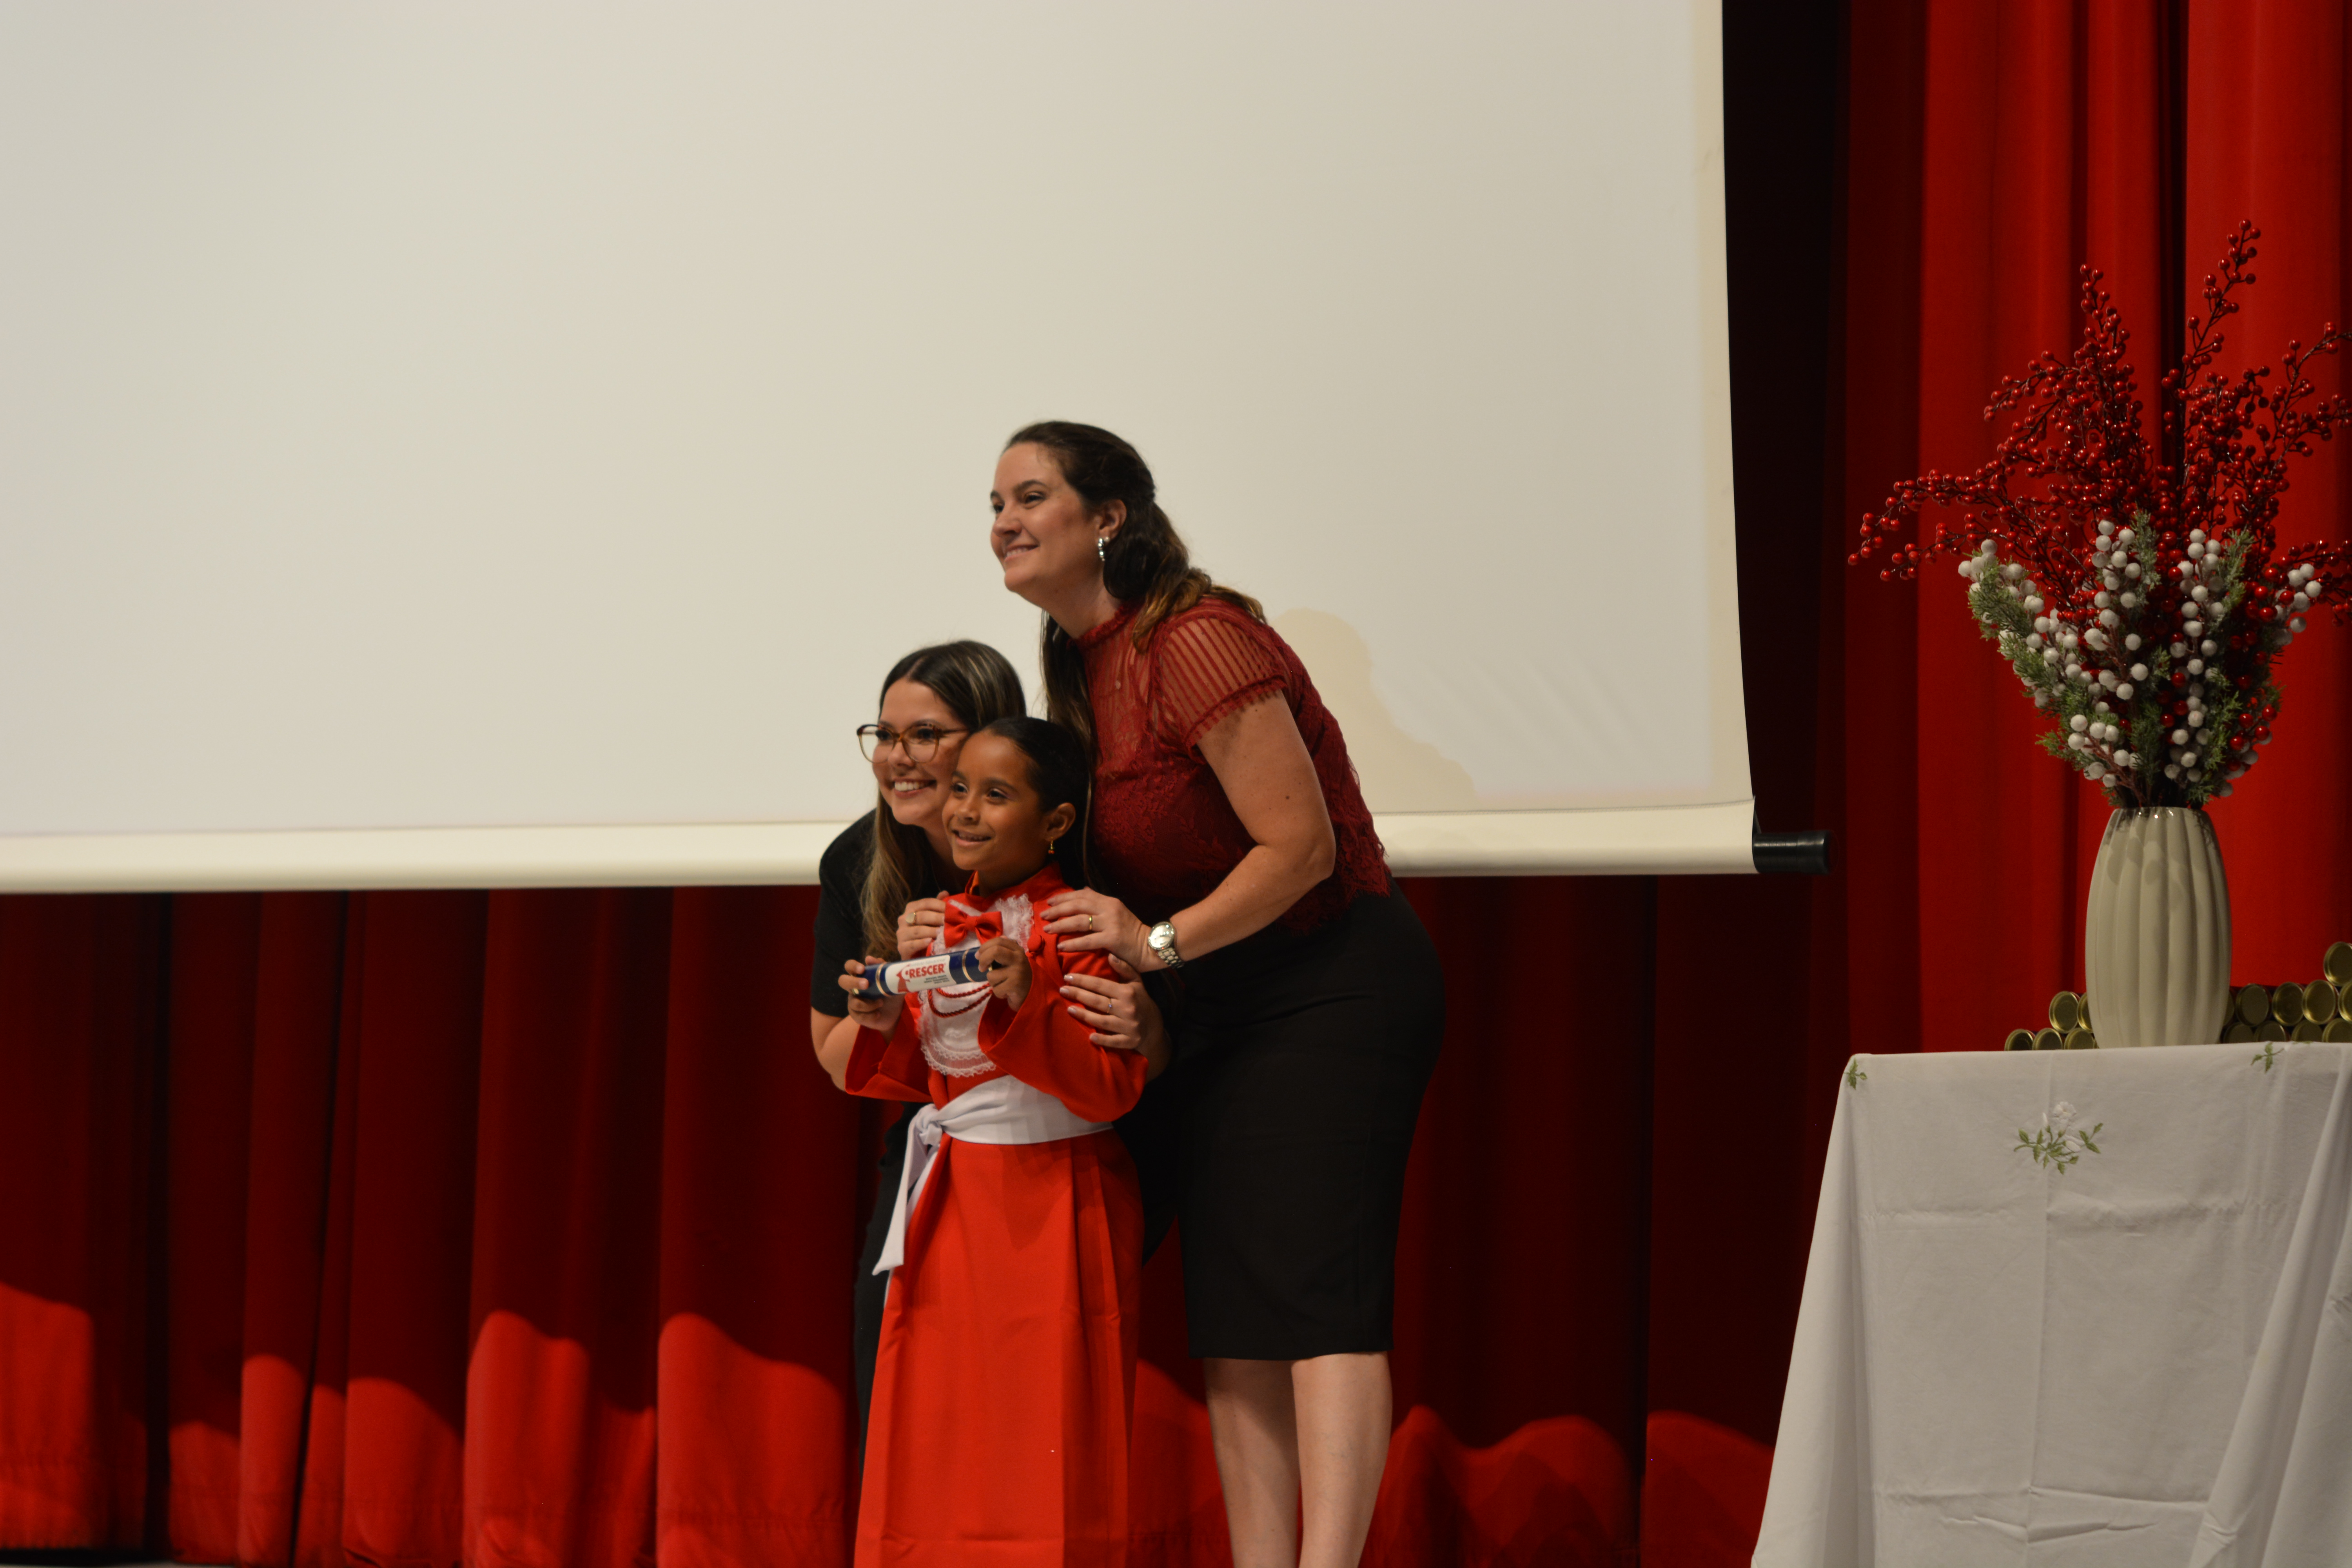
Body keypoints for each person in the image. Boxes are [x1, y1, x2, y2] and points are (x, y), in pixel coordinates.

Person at [989, 423, 1446, 1568]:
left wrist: (1154, 945)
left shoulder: (1193, 639)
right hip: (1218, 1001)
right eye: (993, 504)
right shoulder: (1076, 662)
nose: (1003, 522)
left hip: (1331, 983)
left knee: (1318, 1294)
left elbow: (1299, 849)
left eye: (1030, 497)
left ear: (1110, 517)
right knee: (1235, 1307)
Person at [806, 642, 1161, 1446]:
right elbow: (842, 1056)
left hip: (1070, 1151)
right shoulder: (861, 859)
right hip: (947, 1145)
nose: (898, 758)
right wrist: (895, 996)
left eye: (926, 735)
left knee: (1039, 1407)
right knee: (909, 1391)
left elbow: (1138, 1045)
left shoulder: (1084, 868)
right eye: (885, 735)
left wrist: (1138, 1024)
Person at [837, 717, 1148, 1568]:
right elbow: (934, 1077)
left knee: (1042, 1425)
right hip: (950, 1200)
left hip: (1056, 1198)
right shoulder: (934, 925)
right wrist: (882, 1017)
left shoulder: (1080, 928)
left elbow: (1112, 1086)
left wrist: (1028, 999)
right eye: (960, 789)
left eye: (996, 794)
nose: (966, 810)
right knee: (937, 1423)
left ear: (1056, 821)